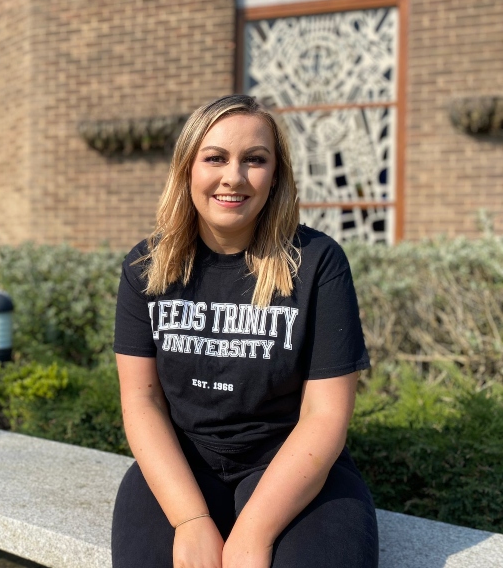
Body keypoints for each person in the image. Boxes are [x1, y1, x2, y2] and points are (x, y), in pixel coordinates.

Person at [111, 94, 379, 568]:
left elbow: (325, 415)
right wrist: (191, 521)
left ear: (275, 174)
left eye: (255, 160)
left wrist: (253, 533)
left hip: (290, 466)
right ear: (187, 168)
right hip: (183, 464)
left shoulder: (318, 264)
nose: (233, 177)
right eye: (215, 158)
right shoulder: (145, 269)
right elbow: (142, 401)